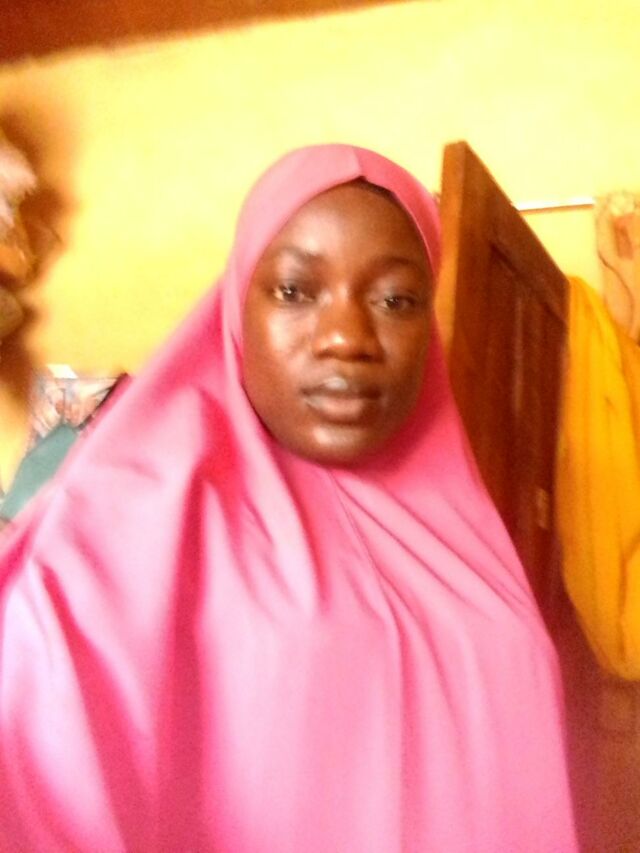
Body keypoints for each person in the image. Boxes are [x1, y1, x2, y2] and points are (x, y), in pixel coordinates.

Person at [0, 144, 577, 851]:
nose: (346, 338)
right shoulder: (136, 513)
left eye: (396, 300)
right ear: (237, 309)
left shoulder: (464, 536)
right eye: (297, 291)